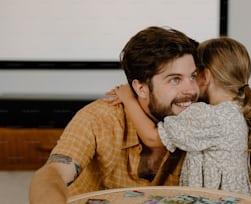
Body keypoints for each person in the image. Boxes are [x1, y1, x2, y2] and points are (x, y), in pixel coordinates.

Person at [29, 26, 200, 204]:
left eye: (193, 76)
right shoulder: (98, 118)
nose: (191, 90)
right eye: (175, 79)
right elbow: (52, 173)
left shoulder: (201, 120)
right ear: (141, 88)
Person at [105, 37, 251, 199]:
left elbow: (152, 138)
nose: (188, 85)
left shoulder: (207, 115)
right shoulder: (236, 107)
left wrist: (128, 98)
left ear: (205, 76)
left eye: (193, 75)